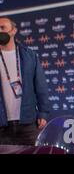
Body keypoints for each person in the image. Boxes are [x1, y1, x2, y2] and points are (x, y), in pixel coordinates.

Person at [0, 17, 50, 146]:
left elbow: (41, 86)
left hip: (28, 123)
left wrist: (43, 113)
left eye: (2, 28)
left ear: (13, 31)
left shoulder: (29, 55)